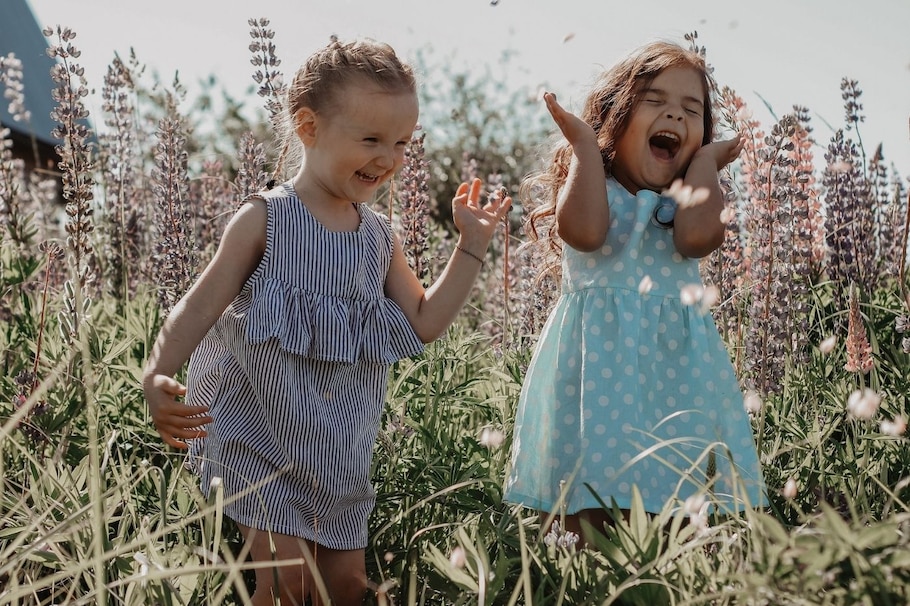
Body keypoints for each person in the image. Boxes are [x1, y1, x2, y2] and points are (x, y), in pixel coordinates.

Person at [142, 38, 511, 605]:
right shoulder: (265, 220)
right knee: (287, 582)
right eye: (370, 139)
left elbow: (424, 319)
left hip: (338, 450)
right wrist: (158, 372)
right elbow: (199, 305)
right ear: (308, 127)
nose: (388, 157)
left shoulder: (376, 239)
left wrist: (471, 247)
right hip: (253, 436)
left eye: (402, 143)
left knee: (346, 587)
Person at [503, 40, 766, 544]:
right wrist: (583, 146)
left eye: (693, 110)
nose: (675, 112)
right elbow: (583, 233)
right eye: (655, 100)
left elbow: (697, 238)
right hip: (593, 386)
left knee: (675, 515)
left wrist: (706, 165)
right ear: (614, 118)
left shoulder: (683, 208)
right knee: (581, 517)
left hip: (677, 388)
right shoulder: (593, 189)